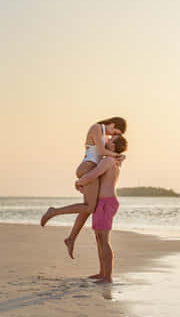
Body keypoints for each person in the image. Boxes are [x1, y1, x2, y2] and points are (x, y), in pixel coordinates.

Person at [40, 117, 127, 259]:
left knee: (88, 208)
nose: (111, 135)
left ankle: (71, 238)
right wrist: (118, 155)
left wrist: (119, 156)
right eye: (113, 131)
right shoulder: (96, 127)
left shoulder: (104, 135)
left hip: (91, 169)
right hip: (87, 167)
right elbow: (101, 151)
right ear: (112, 123)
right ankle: (54, 212)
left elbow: (108, 154)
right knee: (89, 207)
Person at [75, 134, 128, 283]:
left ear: (113, 146)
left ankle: (108, 276)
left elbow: (93, 174)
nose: (108, 140)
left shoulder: (109, 160)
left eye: (111, 140)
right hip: (102, 202)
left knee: (104, 239)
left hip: (106, 202)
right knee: (99, 238)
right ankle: (102, 272)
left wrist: (79, 181)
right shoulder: (114, 159)